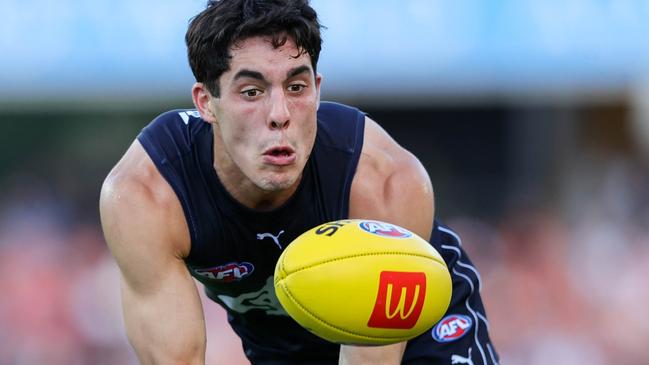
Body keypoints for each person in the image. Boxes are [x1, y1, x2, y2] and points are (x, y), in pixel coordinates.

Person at [99, 0, 499, 364]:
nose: (280, 114)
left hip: (421, 336)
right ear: (206, 103)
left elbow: (371, 357)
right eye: (252, 91)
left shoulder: (383, 180)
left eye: (296, 87)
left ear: (318, 91)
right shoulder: (147, 194)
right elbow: (178, 359)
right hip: (283, 350)